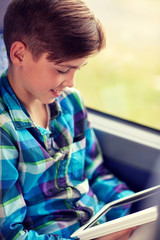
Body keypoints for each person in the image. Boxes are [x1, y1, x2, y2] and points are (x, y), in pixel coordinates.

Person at [0, 0, 135, 239]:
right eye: (62, 70)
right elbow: (12, 234)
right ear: (19, 54)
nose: (71, 82)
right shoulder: (5, 130)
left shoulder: (70, 102)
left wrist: (128, 209)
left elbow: (95, 172)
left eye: (78, 70)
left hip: (98, 222)